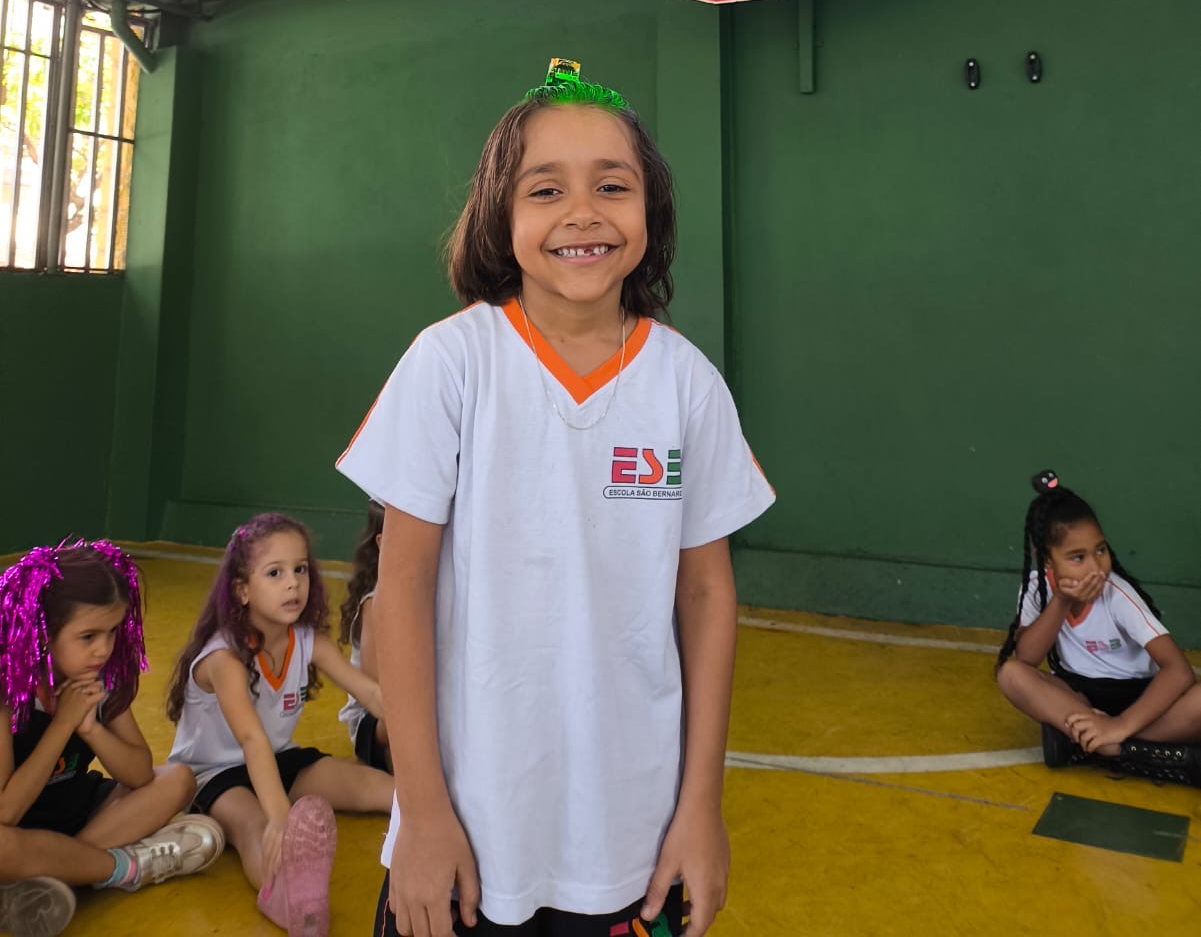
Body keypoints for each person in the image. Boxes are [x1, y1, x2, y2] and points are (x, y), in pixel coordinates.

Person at [337, 57, 775, 937]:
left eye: (612, 185)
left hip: (634, 841)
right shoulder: (451, 362)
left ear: (650, 210)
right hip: (465, 833)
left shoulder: (686, 383)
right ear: (500, 217)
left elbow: (704, 593)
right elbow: (402, 588)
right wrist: (421, 811)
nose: (582, 212)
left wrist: (701, 806)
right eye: (545, 190)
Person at [165, 512, 394, 935]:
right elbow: (251, 738)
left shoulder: (307, 640)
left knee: (380, 788)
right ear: (242, 590)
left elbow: (373, 695)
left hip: (279, 760)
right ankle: (291, 901)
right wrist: (278, 817)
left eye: (300, 569)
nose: (293, 584)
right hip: (216, 775)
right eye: (275, 573)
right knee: (256, 828)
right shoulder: (224, 657)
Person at [0, 539, 223, 937]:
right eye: (88, 636)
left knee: (177, 779)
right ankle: (125, 868)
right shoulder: (8, 694)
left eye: (113, 631)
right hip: (18, 831)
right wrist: (63, 724)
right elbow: (6, 813)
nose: (103, 648)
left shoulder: (101, 679)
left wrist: (91, 729)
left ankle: (57, 874)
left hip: (83, 816)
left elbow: (139, 773)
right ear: (42, 633)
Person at [996, 469, 1201, 781]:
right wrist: (1061, 601)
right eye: (1077, 557)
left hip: (1143, 701)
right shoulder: (1037, 588)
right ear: (1047, 560)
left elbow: (1178, 671)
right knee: (1011, 675)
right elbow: (1026, 657)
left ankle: (1096, 744)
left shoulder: (1117, 594)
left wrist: (1120, 725)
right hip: (1080, 699)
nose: (1096, 566)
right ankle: (1131, 750)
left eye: (1100, 550)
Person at [338, 502, 391, 774]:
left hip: (406, 706)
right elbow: (375, 683)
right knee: (409, 719)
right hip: (373, 719)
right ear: (381, 542)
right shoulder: (374, 603)